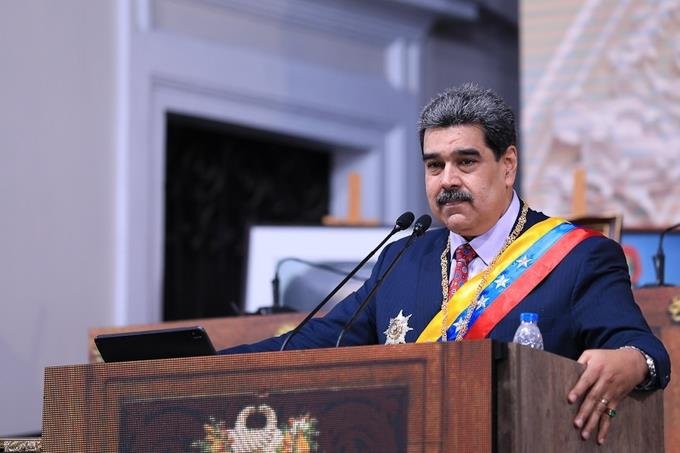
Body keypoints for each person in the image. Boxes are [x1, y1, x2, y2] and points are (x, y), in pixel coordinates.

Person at [222, 83, 670, 445]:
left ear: (508, 165)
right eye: (434, 166)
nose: (448, 180)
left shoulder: (578, 256)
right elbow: (322, 340)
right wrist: (209, 360)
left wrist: (631, 362)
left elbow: (645, 351)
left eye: (466, 162)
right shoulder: (402, 256)